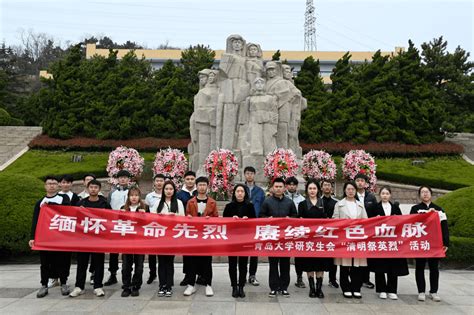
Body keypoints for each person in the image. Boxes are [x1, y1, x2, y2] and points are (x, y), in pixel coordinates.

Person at [29, 175, 71, 298]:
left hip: (61, 237)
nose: (51, 185)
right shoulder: (40, 202)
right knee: (45, 262)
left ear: (58, 185)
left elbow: (66, 210)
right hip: (45, 238)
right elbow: (35, 221)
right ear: (45, 186)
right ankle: (44, 284)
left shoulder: (63, 198)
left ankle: (64, 283)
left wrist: (50, 204)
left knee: (63, 260)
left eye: (54, 183)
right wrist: (33, 237)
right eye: (49, 183)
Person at [69, 179, 109, 298]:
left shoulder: (104, 203)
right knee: (82, 263)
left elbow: (111, 219)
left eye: (96, 187)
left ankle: (98, 286)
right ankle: (79, 286)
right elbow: (75, 219)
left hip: (98, 239)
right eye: (91, 187)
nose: (93, 189)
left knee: (99, 263)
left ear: (99, 189)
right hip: (84, 239)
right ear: (87, 188)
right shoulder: (81, 203)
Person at [368, 186, 409, 300]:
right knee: (380, 266)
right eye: (383, 193)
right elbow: (368, 223)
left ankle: (392, 290)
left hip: (393, 242)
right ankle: (381, 289)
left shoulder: (395, 208)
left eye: (387, 193)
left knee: (393, 266)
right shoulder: (374, 207)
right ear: (379, 195)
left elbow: (402, 223)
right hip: (380, 241)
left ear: (390, 195)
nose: (385, 195)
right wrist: (375, 219)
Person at [260, 177, 298, 298]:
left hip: (286, 238)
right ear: (272, 188)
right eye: (276, 187)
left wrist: (290, 219)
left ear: (284, 188)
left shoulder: (289, 202)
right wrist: (267, 219)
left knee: (285, 263)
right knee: (273, 264)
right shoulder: (267, 201)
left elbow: (296, 217)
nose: (278, 189)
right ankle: (273, 287)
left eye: (280, 187)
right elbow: (261, 216)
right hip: (272, 237)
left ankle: (284, 287)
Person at [410, 186, 449, 302]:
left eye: (427, 192)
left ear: (431, 194)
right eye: (422, 192)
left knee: (434, 268)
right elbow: (411, 223)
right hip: (420, 243)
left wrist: (445, 242)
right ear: (419, 195)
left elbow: (444, 227)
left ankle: (434, 291)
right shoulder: (415, 209)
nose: (425, 194)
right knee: (420, 267)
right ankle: (421, 291)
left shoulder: (439, 209)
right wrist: (427, 214)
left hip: (434, 244)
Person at [183, 177, 218, 297]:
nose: (202, 187)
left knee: (207, 261)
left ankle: (208, 284)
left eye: (204, 185)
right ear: (196, 187)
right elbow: (186, 216)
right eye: (200, 185)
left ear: (207, 186)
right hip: (193, 235)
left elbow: (217, 219)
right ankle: (191, 285)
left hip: (207, 236)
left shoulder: (212, 202)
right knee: (192, 261)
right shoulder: (190, 202)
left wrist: (211, 220)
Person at [333, 181, 368, 299]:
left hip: (358, 239)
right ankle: (346, 287)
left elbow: (366, 221)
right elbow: (335, 220)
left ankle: (356, 288)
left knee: (356, 266)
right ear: (344, 190)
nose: (350, 191)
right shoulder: (339, 204)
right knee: (344, 265)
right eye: (348, 189)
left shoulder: (360, 205)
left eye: (353, 189)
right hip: (344, 238)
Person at [297, 179, 332, 298]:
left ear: (318, 190)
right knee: (309, 264)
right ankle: (312, 288)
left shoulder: (323, 203)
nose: (312, 191)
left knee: (320, 264)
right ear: (307, 190)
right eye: (310, 188)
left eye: (314, 188)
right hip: (307, 240)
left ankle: (319, 288)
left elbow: (328, 220)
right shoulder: (302, 204)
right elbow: (298, 221)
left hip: (320, 240)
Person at [223, 184, 256, 298]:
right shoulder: (229, 206)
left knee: (243, 264)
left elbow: (255, 222)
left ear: (245, 193)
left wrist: (248, 220)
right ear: (234, 193)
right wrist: (232, 220)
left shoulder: (250, 206)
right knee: (232, 264)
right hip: (232, 240)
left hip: (245, 240)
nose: (240, 193)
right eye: (238, 191)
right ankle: (234, 287)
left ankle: (241, 286)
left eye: (242, 191)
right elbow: (224, 223)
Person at [156, 181, 185, 297]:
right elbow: (152, 219)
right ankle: (161, 285)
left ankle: (169, 285)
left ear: (174, 191)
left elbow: (183, 220)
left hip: (172, 237)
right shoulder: (158, 203)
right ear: (163, 191)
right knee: (161, 262)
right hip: (160, 237)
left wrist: (175, 218)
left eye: (171, 189)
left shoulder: (178, 203)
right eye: (166, 189)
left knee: (169, 262)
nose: (168, 191)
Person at [119, 186, 147, 297]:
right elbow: (118, 224)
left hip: (140, 242)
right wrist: (120, 214)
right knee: (126, 266)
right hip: (127, 242)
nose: (134, 198)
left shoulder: (145, 208)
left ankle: (136, 286)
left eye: (136, 195)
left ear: (139, 196)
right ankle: (126, 286)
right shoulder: (123, 208)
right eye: (131, 195)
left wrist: (145, 215)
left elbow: (149, 225)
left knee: (139, 266)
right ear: (128, 197)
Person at [104, 169, 131, 286]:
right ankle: (113, 274)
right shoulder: (112, 193)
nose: (123, 179)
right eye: (121, 177)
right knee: (113, 251)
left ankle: (127, 274)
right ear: (118, 179)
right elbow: (108, 208)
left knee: (127, 251)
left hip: (129, 225)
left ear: (129, 179)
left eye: (125, 177)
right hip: (114, 224)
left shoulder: (132, 192)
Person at [243, 166, 265, 286]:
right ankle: (242, 274)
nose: (249, 175)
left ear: (254, 175)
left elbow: (263, 208)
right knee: (243, 252)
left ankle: (252, 275)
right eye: (247, 173)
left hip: (256, 225)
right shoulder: (240, 189)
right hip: (243, 226)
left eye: (251, 173)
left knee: (254, 252)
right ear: (244, 175)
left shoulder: (260, 191)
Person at [354, 173, 376, 289]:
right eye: (358, 180)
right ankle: (354, 278)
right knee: (355, 254)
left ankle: (365, 279)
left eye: (362, 181)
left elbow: (375, 213)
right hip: (354, 230)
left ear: (366, 183)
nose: (360, 183)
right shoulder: (351, 195)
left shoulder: (371, 197)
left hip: (368, 231)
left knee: (366, 255)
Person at [176, 171, 198, 287]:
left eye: (192, 179)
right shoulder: (179, 194)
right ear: (184, 180)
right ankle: (187, 275)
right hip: (185, 228)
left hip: (198, 228)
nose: (190, 181)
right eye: (188, 179)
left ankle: (200, 274)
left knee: (199, 252)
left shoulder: (199, 192)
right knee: (187, 253)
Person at [284, 176, 306, 289]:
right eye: (289, 184)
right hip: (285, 231)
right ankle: (284, 278)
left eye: (294, 184)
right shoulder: (283, 197)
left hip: (298, 230)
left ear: (296, 186)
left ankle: (299, 277)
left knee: (299, 255)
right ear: (286, 186)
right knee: (285, 255)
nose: (291, 186)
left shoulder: (302, 199)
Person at [145, 173, 165, 285]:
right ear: (154, 182)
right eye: (157, 181)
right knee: (152, 253)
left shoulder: (168, 194)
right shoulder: (149, 196)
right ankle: (152, 273)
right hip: (153, 227)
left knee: (163, 253)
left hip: (165, 228)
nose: (159, 183)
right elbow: (147, 211)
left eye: (161, 181)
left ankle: (163, 274)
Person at [320, 179, 339, 289]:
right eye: (325, 185)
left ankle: (332, 279)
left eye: (329, 185)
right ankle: (320, 279)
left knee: (333, 259)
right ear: (321, 188)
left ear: (332, 188)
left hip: (333, 234)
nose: (327, 187)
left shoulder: (336, 202)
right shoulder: (318, 201)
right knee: (321, 258)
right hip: (321, 234)